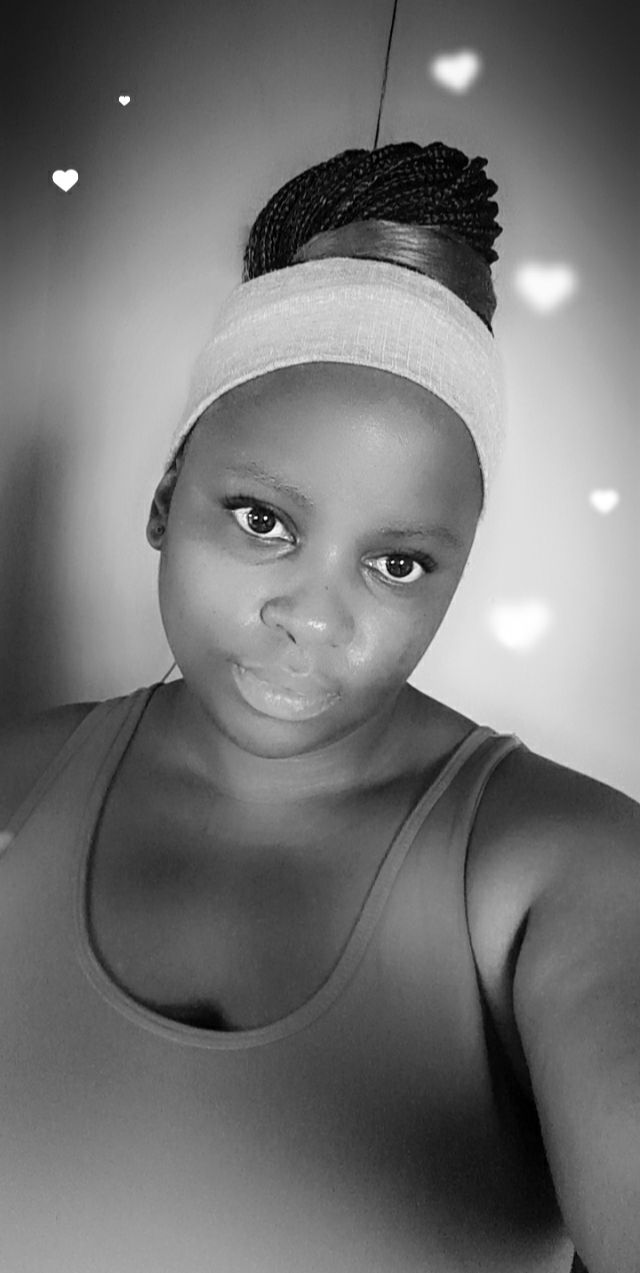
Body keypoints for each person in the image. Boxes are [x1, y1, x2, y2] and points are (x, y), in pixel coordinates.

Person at [0, 140, 637, 1273]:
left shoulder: (560, 870)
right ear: (165, 499)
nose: (314, 619)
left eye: (397, 563)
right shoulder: (13, 786)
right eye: (263, 520)